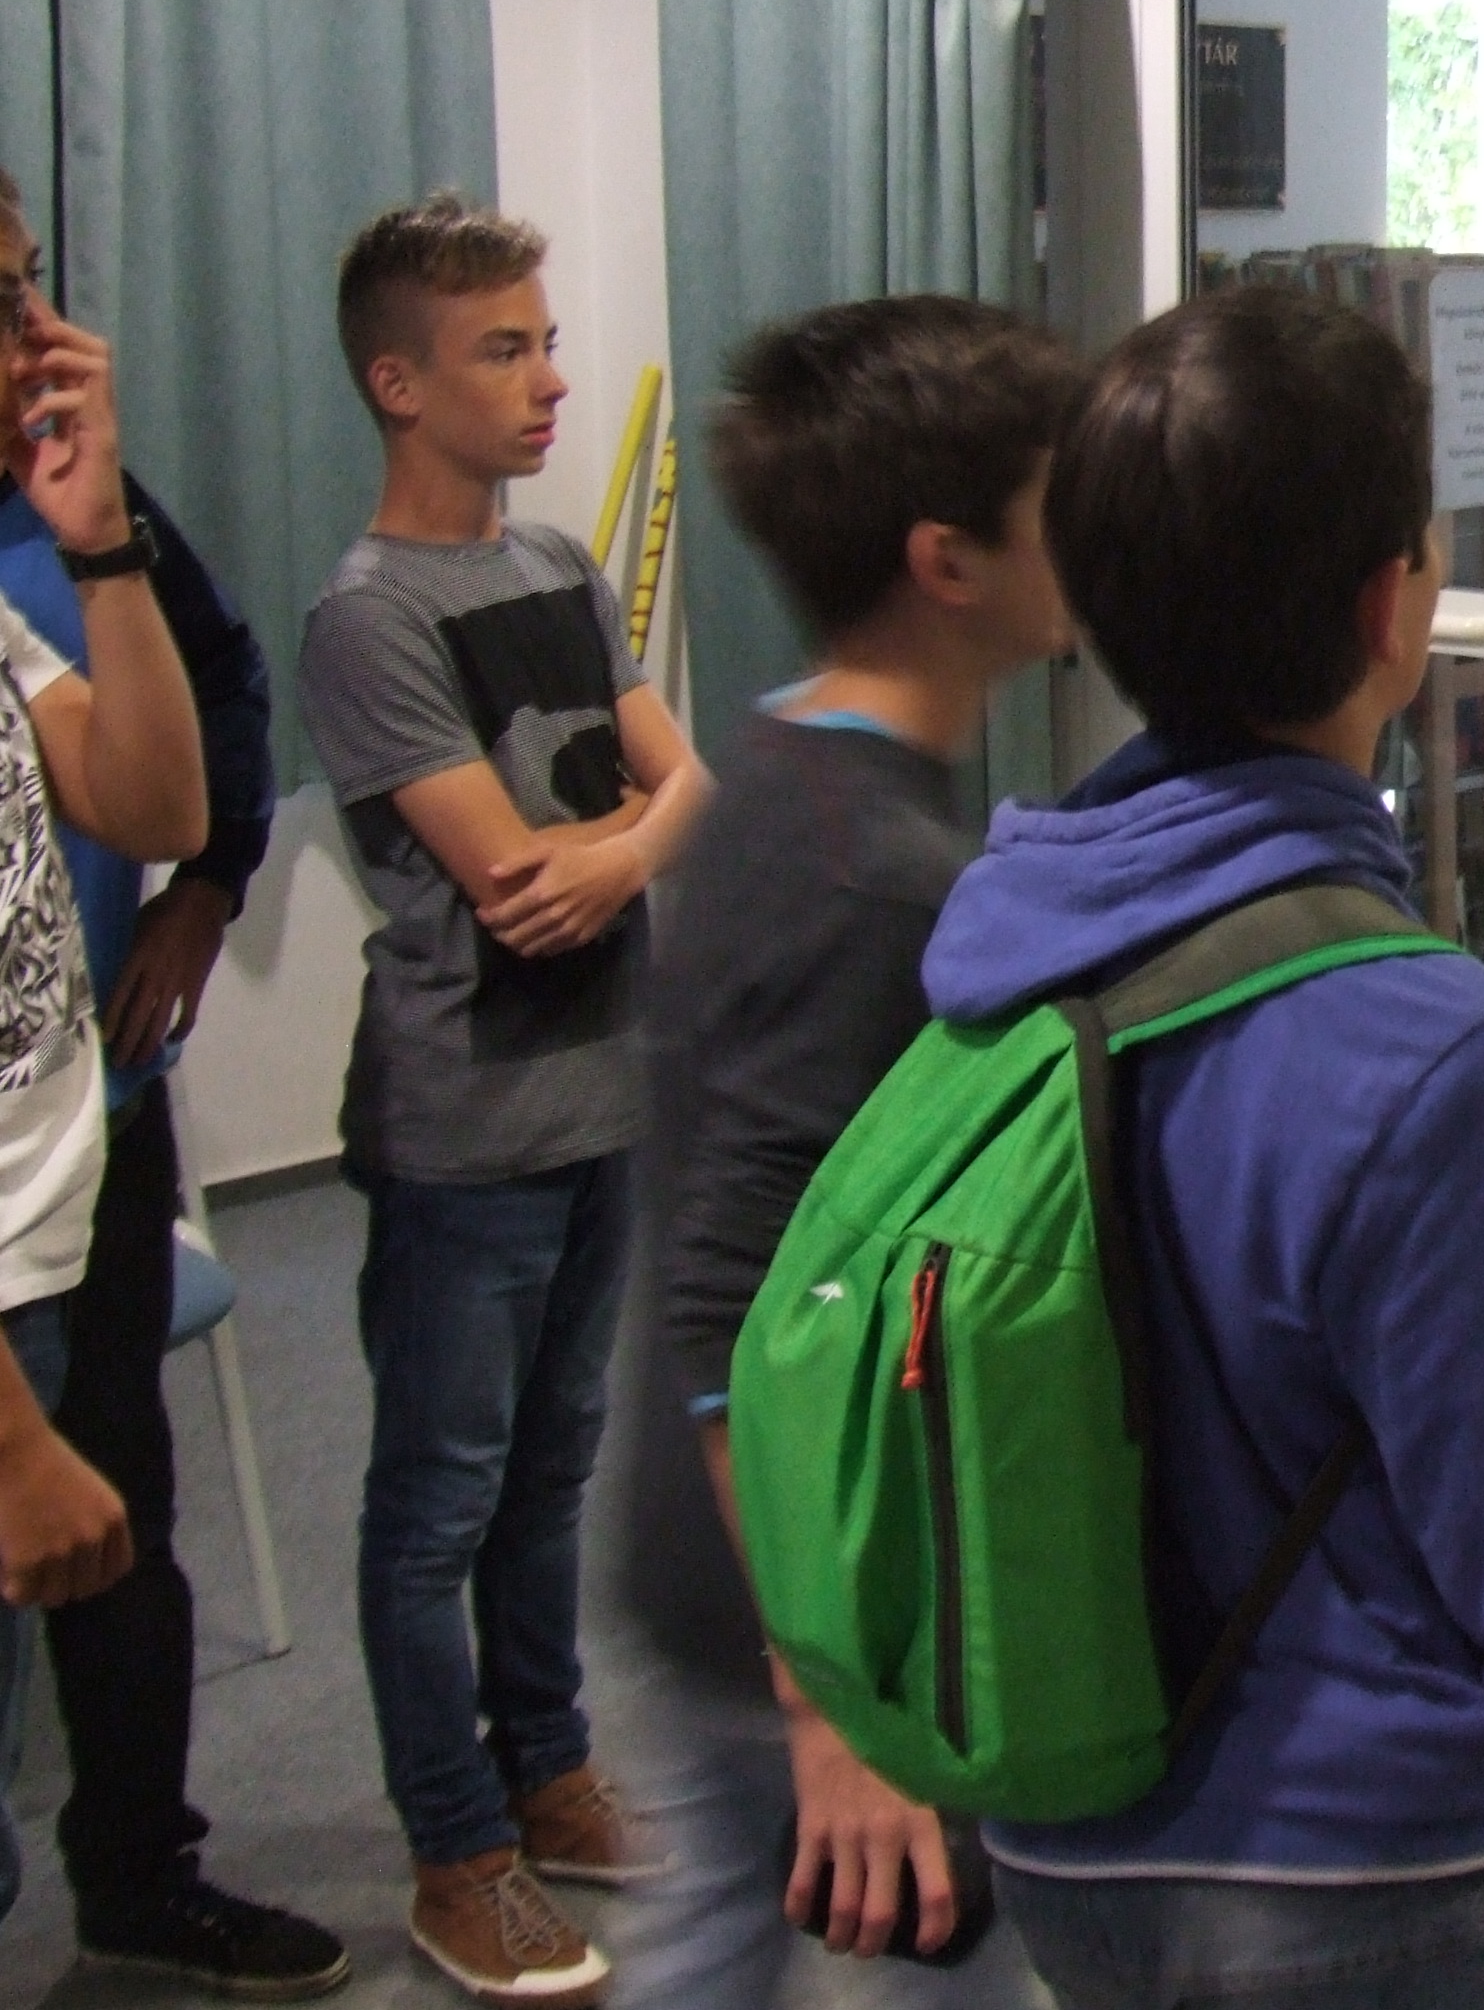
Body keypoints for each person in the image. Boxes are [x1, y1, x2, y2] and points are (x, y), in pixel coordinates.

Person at [921, 284, 1484, 2010]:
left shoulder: (999, 956)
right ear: (1391, 606)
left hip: (1066, 1834)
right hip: (1369, 1865)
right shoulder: (1437, 1049)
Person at [604, 297, 1078, 2006]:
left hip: (726, 1572)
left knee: (711, 1953)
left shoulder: (784, 770)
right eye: (1060, 497)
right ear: (948, 562)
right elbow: (732, 1291)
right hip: (800, 1600)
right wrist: (827, 1699)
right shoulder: (873, 877)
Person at [300, 196, 711, 2006]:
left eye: (545, 342)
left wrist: (620, 854)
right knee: (437, 1503)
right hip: (464, 1131)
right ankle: (456, 1853)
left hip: (603, 1096)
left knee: (552, 1473)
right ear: (399, 383)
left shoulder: (554, 562)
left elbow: (685, 782)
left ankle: (548, 1772)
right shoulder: (365, 617)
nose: (548, 379)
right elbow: (503, 872)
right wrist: (634, 841)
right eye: (502, 350)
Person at [0, 182, 349, 1999]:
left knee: (124, 1530)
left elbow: (175, 763)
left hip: (88, 1143)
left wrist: (206, 894)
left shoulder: (59, 534)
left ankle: (139, 1875)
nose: (38, 338)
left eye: (30, 288)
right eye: (0, 303)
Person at [0, 228, 208, 1940]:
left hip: (56, 1235)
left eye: (27, 289)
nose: (40, 336)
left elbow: (154, 804)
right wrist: (11, 1438)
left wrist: (100, 543)